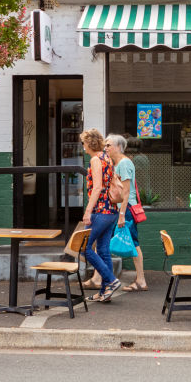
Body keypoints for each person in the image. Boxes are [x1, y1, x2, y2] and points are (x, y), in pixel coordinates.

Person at [80, 128, 121, 302]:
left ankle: (110, 281)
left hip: (100, 211)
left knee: (84, 247)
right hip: (111, 211)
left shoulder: (96, 160)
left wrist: (88, 211)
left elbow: (97, 188)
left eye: (83, 143)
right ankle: (105, 292)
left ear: (90, 143)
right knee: (103, 251)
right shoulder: (107, 158)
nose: (83, 147)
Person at [106, 134, 148, 292]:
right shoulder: (119, 163)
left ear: (118, 147)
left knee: (134, 243)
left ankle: (141, 280)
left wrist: (122, 214)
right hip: (123, 209)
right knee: (131, 242)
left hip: (127, 209)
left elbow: (126, 192)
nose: (106, 148)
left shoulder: (124, 163)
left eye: (109, 145)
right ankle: (103, 278)